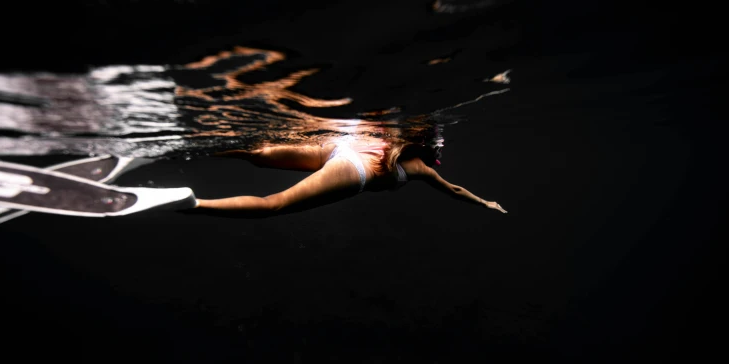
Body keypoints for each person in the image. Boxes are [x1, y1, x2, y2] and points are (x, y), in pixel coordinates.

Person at [190, 136, 507, 217]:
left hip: (338, 144)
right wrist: (485, 202)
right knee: (273, 204)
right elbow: (454, 189)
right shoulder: (420, 169)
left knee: (256, 156)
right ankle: (195, 204)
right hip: (352, 169)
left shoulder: (384, 137)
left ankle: (189, 150)